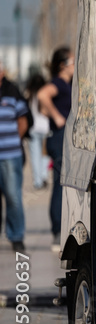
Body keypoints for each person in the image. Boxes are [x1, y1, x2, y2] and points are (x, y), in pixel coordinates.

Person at [37, 46, 74, 252]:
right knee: (60, 185)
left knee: (65, 184)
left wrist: (51, 112)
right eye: (72, 62)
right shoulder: (58, 83)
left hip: (61, 138)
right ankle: (57, 231)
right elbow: (43, 96)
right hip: (59, 138)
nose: (75, 66)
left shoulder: (67, 84)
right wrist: (58, 117)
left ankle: (61, 228)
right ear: (63, 66)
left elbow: (43, 108)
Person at [0, 57, 30, 253]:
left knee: (13, 197)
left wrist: (13, 141)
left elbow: (23, 121)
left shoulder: (12, 91)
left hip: (10, 154)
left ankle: (16, 236)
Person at [23, 73, 50, 189]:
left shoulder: (29, 94)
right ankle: (44, 175)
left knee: (35, 156)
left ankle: (37, 181)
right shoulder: (45, 93)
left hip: (33, 129)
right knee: (45, 155)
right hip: (46, 129)